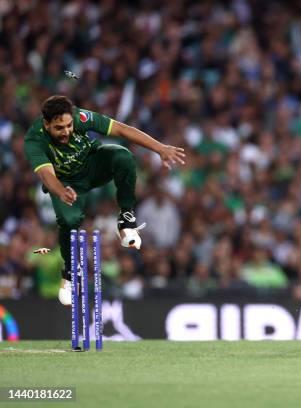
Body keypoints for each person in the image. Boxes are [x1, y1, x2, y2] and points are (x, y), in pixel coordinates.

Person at [24, 95, 186, 306]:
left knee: (123, 156)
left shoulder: (79, 117)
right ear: (46, 124)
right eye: (59, 128)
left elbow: (121, 129)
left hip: (92, 165)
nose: (66, 132)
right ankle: (70, 273)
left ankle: (126, 218)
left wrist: (159, 148)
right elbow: (47, 175)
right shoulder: (34, 140)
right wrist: (61, 191)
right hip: (65, 183)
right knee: (69, 220)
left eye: (68, 126)